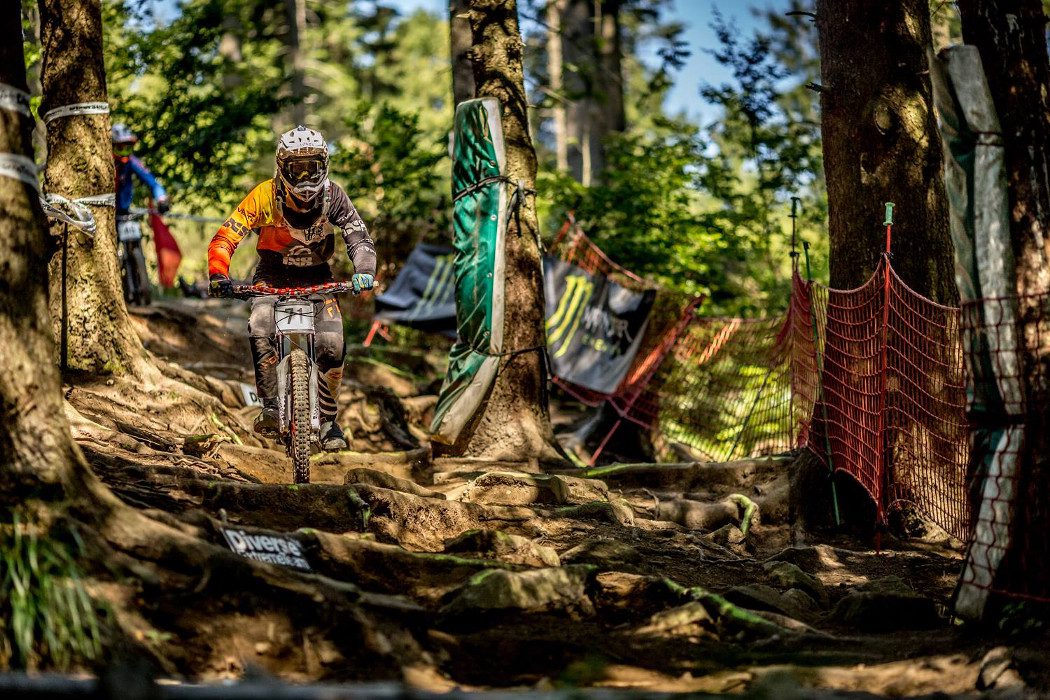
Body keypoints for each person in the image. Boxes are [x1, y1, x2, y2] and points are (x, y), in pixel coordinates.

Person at [207, 125, 376, 451]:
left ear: (323, 165)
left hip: (319, 278)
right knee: (259, 326)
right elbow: (226, 237)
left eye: (310, 168)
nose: (303, 178)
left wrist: (365, 271)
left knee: (332, 343)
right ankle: (270, 405)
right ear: (282, 168)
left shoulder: (334, 196)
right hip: (272, 277)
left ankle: (329, 421)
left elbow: (359, 238)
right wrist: (218, 273)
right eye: (295, 170)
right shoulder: (265, 195)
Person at [112, 123, 169, 215]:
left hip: (123, 212)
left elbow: (153, 182)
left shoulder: (132, 161)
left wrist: (161, 199)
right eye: (120, 148)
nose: (124, 154)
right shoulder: (103, 161)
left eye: (128, 148)